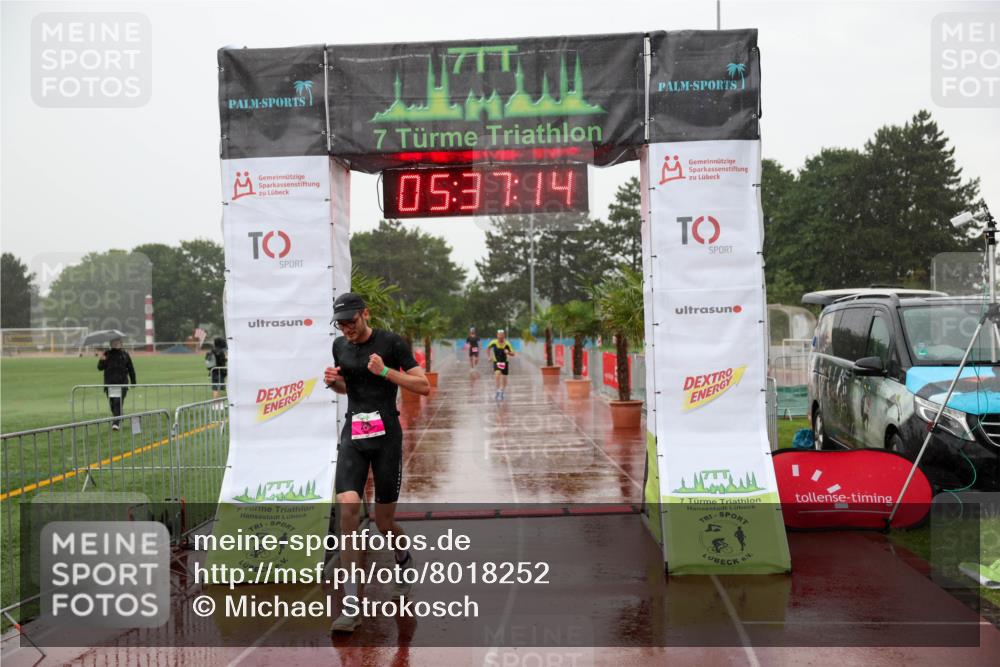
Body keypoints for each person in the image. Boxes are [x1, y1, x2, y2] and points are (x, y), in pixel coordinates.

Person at [323, 292, 430, 633]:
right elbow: (347, 387)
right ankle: (351, 603)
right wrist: (333, 383)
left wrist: (386, 371)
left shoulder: (391, 342)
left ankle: (403, 557)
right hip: (354, 434)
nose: (347, 330)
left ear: (365, 314)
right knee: (348, 509)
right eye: (341, 325)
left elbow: (423, 385)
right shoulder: (340, 347)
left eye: (351, 322)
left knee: (385, 524)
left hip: (386, 437)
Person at [97, 336, 136, 430]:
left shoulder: (125, 355)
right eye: (114, 342)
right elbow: (100, 368)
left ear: (121, 344)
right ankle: (119, 416)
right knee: (112, 403)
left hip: (122, 383)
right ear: (111, 344)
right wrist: (101, 360)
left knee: (118, 402)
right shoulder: (107, 354)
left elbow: (131, 368)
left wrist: (133, 381)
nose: (116, 344)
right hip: (109, 383)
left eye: (118, 342)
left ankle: (115, 423)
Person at [487, 329, 515, 401]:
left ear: (504, 336)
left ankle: (502, 391)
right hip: (496, 361)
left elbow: (513, 353)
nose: (500, 338)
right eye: (499, 336)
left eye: (502, 336)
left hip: (505, 362)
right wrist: (489, 356)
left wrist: (508, 352)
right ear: (497, 335)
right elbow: (488, 348)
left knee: (505, 380)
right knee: (497, 375)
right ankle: (498, 390)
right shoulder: (493, 342)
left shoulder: (507, 344)